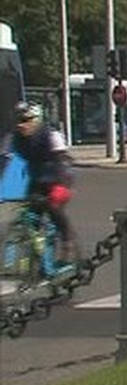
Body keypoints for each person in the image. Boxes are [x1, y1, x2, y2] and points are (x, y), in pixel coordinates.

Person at [2, 102, 79, 268]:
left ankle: (67, 243)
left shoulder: (51, 136)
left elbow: (62, 162)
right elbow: (4, 161)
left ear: (37, 120)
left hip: (59, 178)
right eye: (18, 120)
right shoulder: (14, 138)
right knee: (30, 217)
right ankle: (36, 258)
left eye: (26, 120)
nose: (21, 125)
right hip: (36, 178)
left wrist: (61, 186)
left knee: (54, 209)